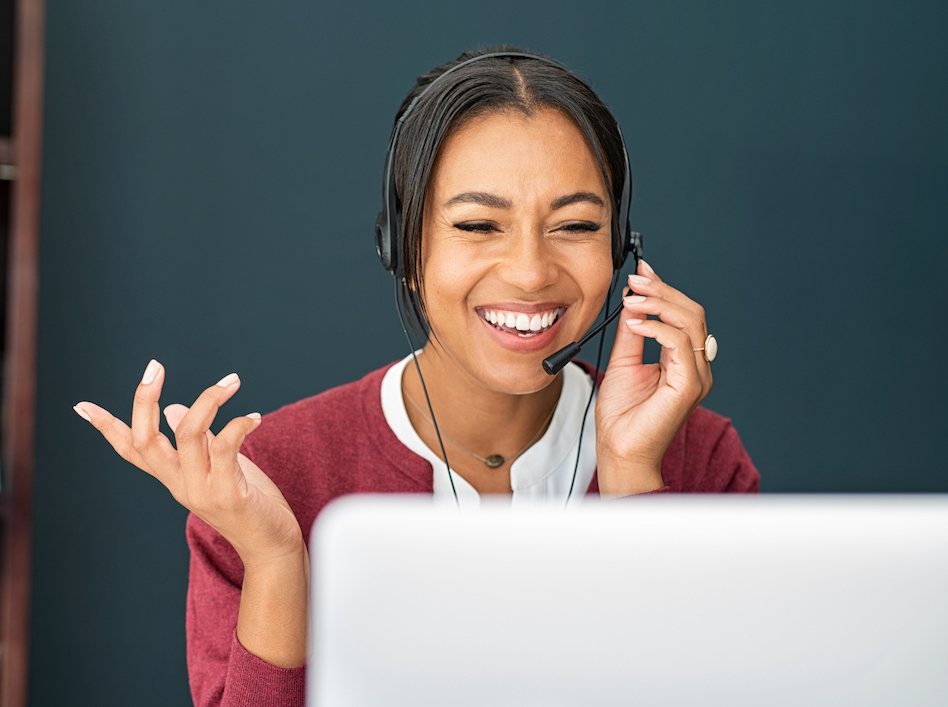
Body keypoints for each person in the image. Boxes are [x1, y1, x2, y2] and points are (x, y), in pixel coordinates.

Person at [73, 46, 759, 707]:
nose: (529, 272)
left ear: (620, 249)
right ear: (402, 247)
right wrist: (278, 559)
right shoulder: (269, 474)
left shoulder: (701, 460)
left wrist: (634, 475)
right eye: (479, 224)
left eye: (575, 225)